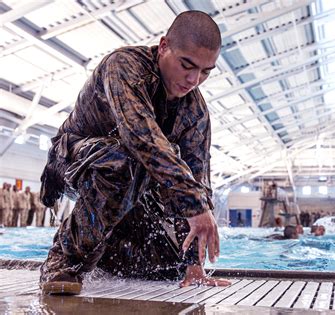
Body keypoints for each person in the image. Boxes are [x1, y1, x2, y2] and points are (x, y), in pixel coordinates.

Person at [39, 11, 231, 295]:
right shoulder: (125, 66)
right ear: (164, 45)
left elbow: (197, 178)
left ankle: (107, 245)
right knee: (127, 160)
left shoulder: (195, 112)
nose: (194, 79)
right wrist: (194, 205)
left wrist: (193, 262)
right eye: (186, 65)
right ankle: (65, 261)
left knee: (163, 267)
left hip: (129, 177)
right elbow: (141, 139)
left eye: (205, 71)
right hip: (71, 158)